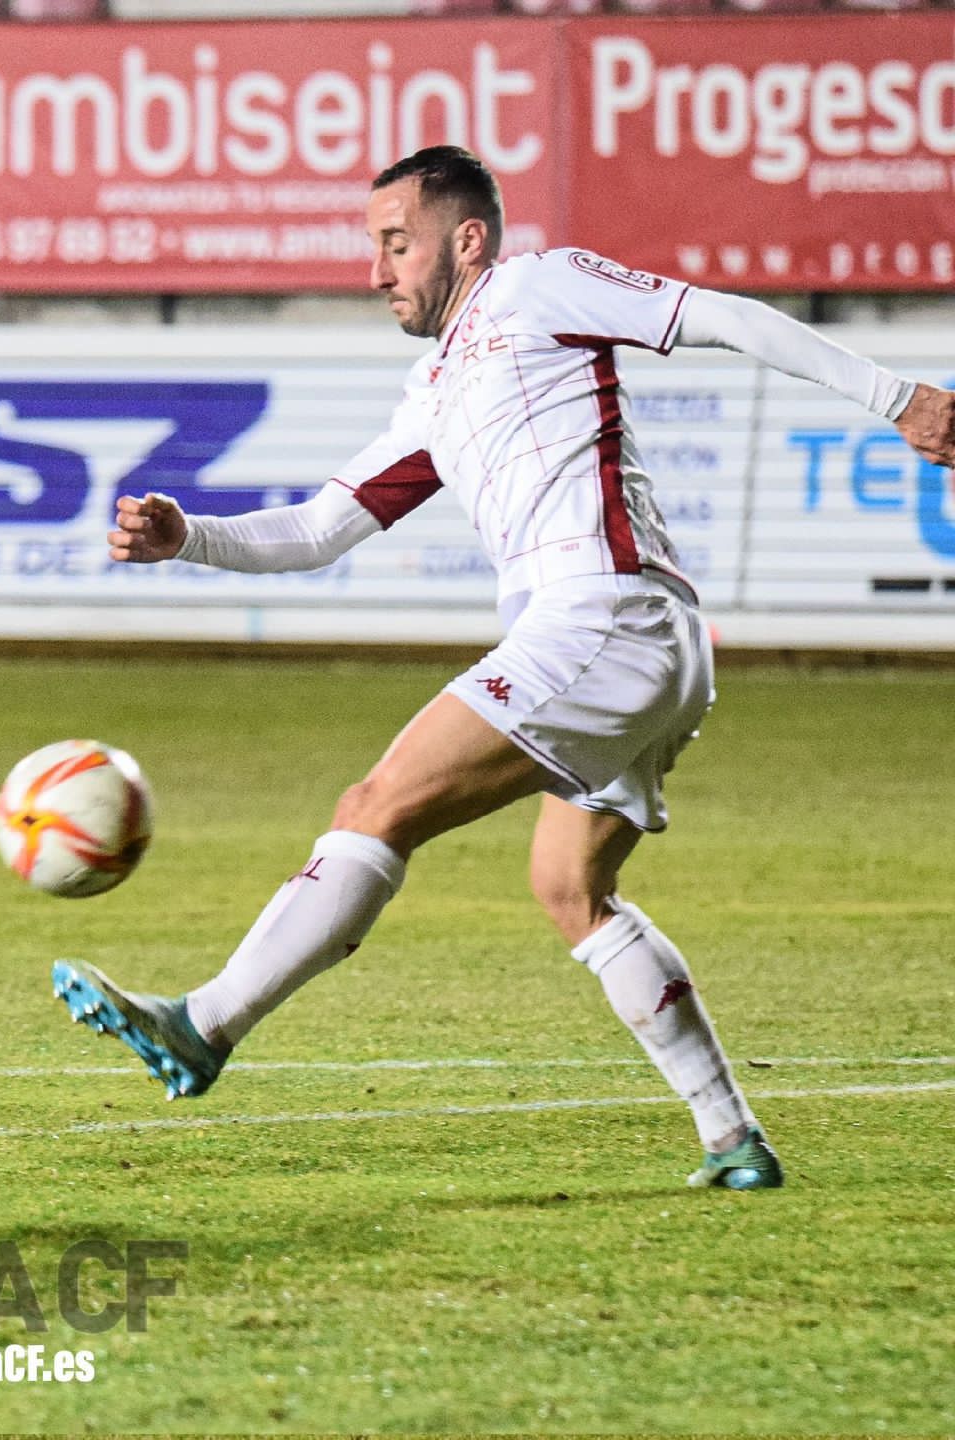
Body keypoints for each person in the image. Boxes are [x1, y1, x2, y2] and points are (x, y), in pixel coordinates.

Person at [53, 145, 955, 1190]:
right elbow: (317, 528)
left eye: (396, 243)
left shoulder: (533, 287)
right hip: (646, 643)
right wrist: (188, 538)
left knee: (374, 805)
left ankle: (203, 1023)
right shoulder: (434, 389)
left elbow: (718, 316)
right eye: (371, 249)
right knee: (570, 887)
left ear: (466, 239)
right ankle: (731, 1138)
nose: (377, 270)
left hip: (602, 620)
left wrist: (893, 396)